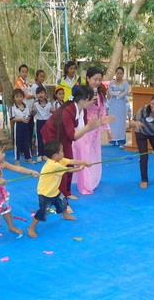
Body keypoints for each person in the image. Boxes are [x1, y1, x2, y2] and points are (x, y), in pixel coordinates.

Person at [40, 86, 105, 202]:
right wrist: (89, 127)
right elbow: (73, 136)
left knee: (69, 161)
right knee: (59, 165)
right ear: (82, 101)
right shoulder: (67, 111)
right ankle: (58, 197)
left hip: (64, 136)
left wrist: (94, 126)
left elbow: (81, 129)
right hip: (53, 135)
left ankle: (66, 192)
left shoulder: (82, 110)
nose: (92, 102)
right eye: (90, 100)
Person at [27, 141, 89, 238]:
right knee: (43, 211)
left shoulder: (59, 160)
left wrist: (84, 162)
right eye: (62, 151)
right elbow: (69, 170)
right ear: (56, 155)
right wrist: (80, 168)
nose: (63, 153)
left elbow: (71, 161)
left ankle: (64, 215)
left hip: (54, 191)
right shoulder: (53, 165)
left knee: (63, 201)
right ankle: (31, 227)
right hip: (45, 194)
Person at [72, 67, 112, 196]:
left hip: (95, 130)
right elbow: (75, 109)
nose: (97, 82)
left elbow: (102, 113)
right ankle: (84, 184)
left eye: (100, 80)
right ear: (88, 78)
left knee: (93, 155)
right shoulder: (81, 93)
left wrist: (107, 130)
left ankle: (93, 179)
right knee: (83, 155)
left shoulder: (100, 94)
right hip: (83, 127)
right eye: (95, 79)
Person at [10, 89, 34, 164]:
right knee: (18, 142)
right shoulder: (13, 108)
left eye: (21, 96)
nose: (19, 98)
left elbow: (29, 115)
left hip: (26, 125)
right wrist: (21, 119)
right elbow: (12, 118)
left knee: (27, 141)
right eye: (17, 97)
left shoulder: (26, 106)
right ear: (14, 98)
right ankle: (17, 159)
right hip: (18, 126)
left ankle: (28, 157)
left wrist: (28, 119)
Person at [107, 66, 130, 147]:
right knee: (113, 121)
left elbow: (126, 92)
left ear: (123, 74)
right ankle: (112, 140)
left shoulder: (125, 83)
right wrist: (118, 93)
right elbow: (110, 92)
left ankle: (121, 140)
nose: (119, 75)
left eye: (121, 73)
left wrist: (118, 94)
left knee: (121, 122)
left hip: (121, 105)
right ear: (115, 73)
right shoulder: (111, 83)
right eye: (118, 73)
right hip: (113, 104)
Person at [32, 85, 52, 162]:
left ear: (45, 94)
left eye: (42, 93)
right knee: (39, 138)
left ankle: (46, 155)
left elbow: (52, 112)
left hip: (47, 122)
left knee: (47, 138)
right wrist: (33, 111)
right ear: (36, 95)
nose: (41, 95)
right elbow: (33, 114)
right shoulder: (35, 104)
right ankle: (40, 154)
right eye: (38, 93)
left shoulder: (49, 103)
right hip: (39, 122)